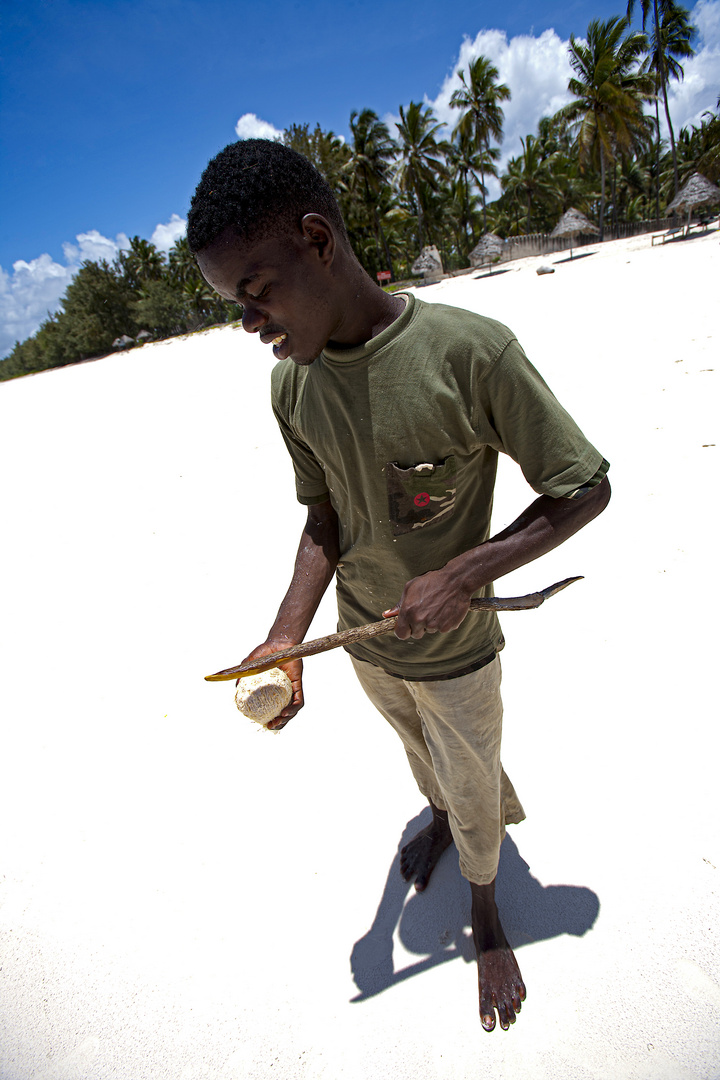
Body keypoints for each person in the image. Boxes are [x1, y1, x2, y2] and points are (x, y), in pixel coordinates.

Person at [188, 139, 611, 1032]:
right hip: (364, 643)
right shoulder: (291, 390)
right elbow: (324, 521)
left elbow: (583, 486)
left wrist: (461, 574)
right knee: (420, 755)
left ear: (318, 240)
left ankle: (489, 910)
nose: (250, 323)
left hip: (458, 652)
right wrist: (285, 640)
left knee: (469, 759)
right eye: (234, 307)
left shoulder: (472, 353)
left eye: (256, 293)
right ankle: (441, 818)